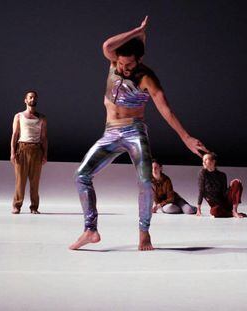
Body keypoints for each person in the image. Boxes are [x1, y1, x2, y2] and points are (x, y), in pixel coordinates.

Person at [70, 16, 209, 251]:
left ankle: (144, 233)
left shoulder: (147, 78)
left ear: (140, 60)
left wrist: (185, 137)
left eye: (129, 65)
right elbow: (106, 46)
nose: (124, 69)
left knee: (146, 182)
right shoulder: (115, 62)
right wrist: (137, 31)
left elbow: (165, 109)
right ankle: (90, 230)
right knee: (81, 175)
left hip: (134, 130)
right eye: (121, 64)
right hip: (111, 132)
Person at [10, 90, 48, 214]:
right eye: (30, 97)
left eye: (34, 97)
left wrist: (45, 154)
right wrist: (12, 152)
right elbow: (15, 135)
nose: (32, 99)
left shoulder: (42, 118)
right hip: (22, 148)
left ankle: (34, 207)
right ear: (25, 100)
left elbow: (43, 138)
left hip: (36, 150)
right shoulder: (19, 116)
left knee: (35, 182)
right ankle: (17, 205)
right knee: (20, 181)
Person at [196, 152, 246, 218]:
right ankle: (231, 214)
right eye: (203, 160)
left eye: (206, 160)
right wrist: (198, 208)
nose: (203, 162)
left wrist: (231, 186)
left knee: (236, 182)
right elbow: (201, 191)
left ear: (213, 161)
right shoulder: (202, 174)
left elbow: (224, 193)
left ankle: (234, 211)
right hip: (217, 206)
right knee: (214, 212)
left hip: (225, 203)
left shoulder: (222, 175)